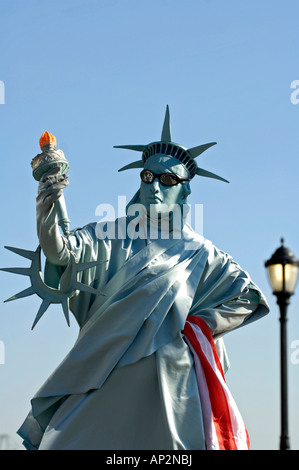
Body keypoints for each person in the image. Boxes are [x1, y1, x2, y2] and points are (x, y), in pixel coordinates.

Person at [17, 107, 269, 450]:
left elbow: (249, 296)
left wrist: (195, 327)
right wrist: (51, 192)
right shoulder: (109, 234)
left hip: (171, 381)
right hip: (103, 371)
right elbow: (61, 252)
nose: (155, 187)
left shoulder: (202, 252)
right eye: (148, 177)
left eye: (167, 181)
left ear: (184, 192)